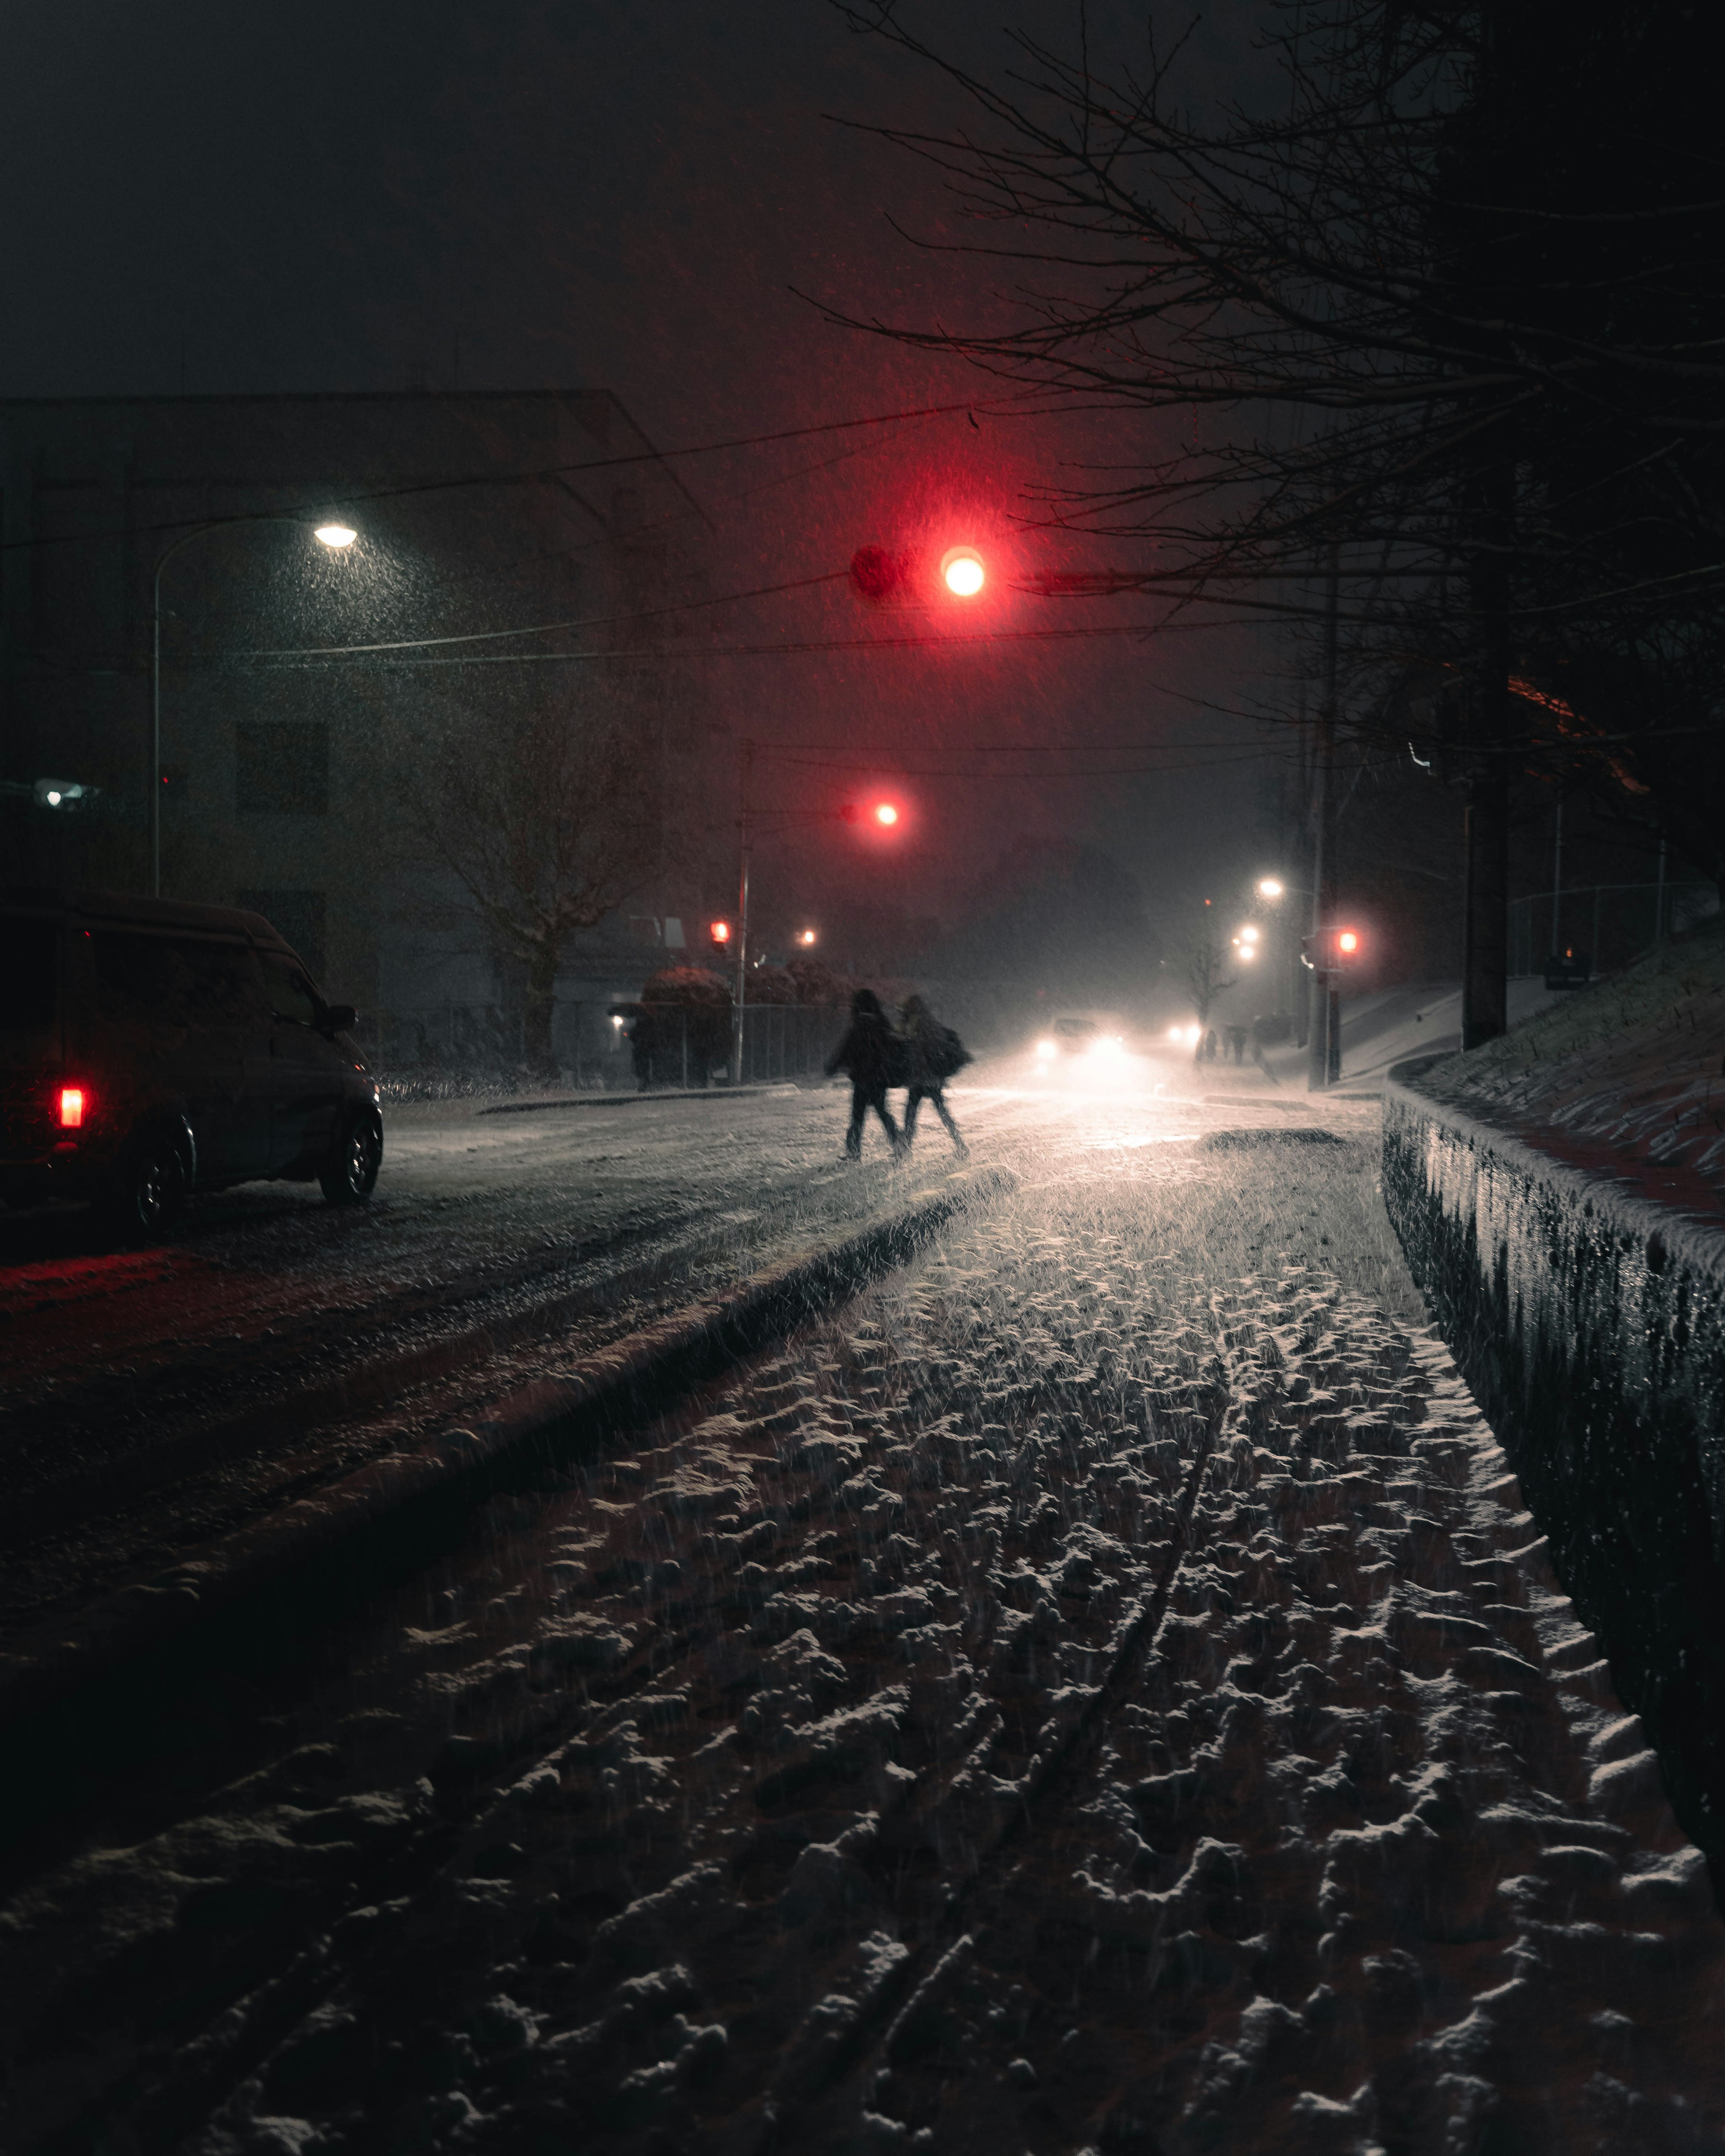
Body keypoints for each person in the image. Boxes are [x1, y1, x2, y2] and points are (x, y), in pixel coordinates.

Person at [824, 988, 903, 1159]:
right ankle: (899, 1145)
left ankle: (854, 1152)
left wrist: (834, 1066)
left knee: (858, 1117)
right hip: (879, 1077)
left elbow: (846, 1049)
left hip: (862, 1078)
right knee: (883, 1113)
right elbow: (893, 1047)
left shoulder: (859, 1026)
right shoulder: (882, 1023)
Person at [900, 993, 970, 1156]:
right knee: (941, 1113)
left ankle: (906, 1148)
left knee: (912, 1114)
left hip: (921, 1079)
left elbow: (913, 1049)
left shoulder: (915, 1025)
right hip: (931, 1079)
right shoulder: (930, 1024)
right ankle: (959, 1143)